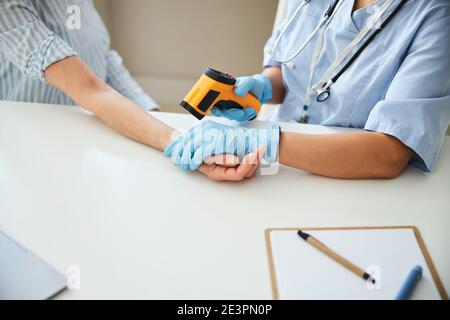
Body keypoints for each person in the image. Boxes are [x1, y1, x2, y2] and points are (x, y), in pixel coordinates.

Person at [165, 0, 450, 179]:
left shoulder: (435, 18)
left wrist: (260, 142)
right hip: (269, 166)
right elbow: (285, 71)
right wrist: (261, 87)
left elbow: (390, 153)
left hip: (348, 177)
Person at [0, 0, 266, 182]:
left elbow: (102, 58)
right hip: (30, 152)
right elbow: (89, 88)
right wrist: (174, 141)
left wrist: (160, 119)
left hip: (85, 145)